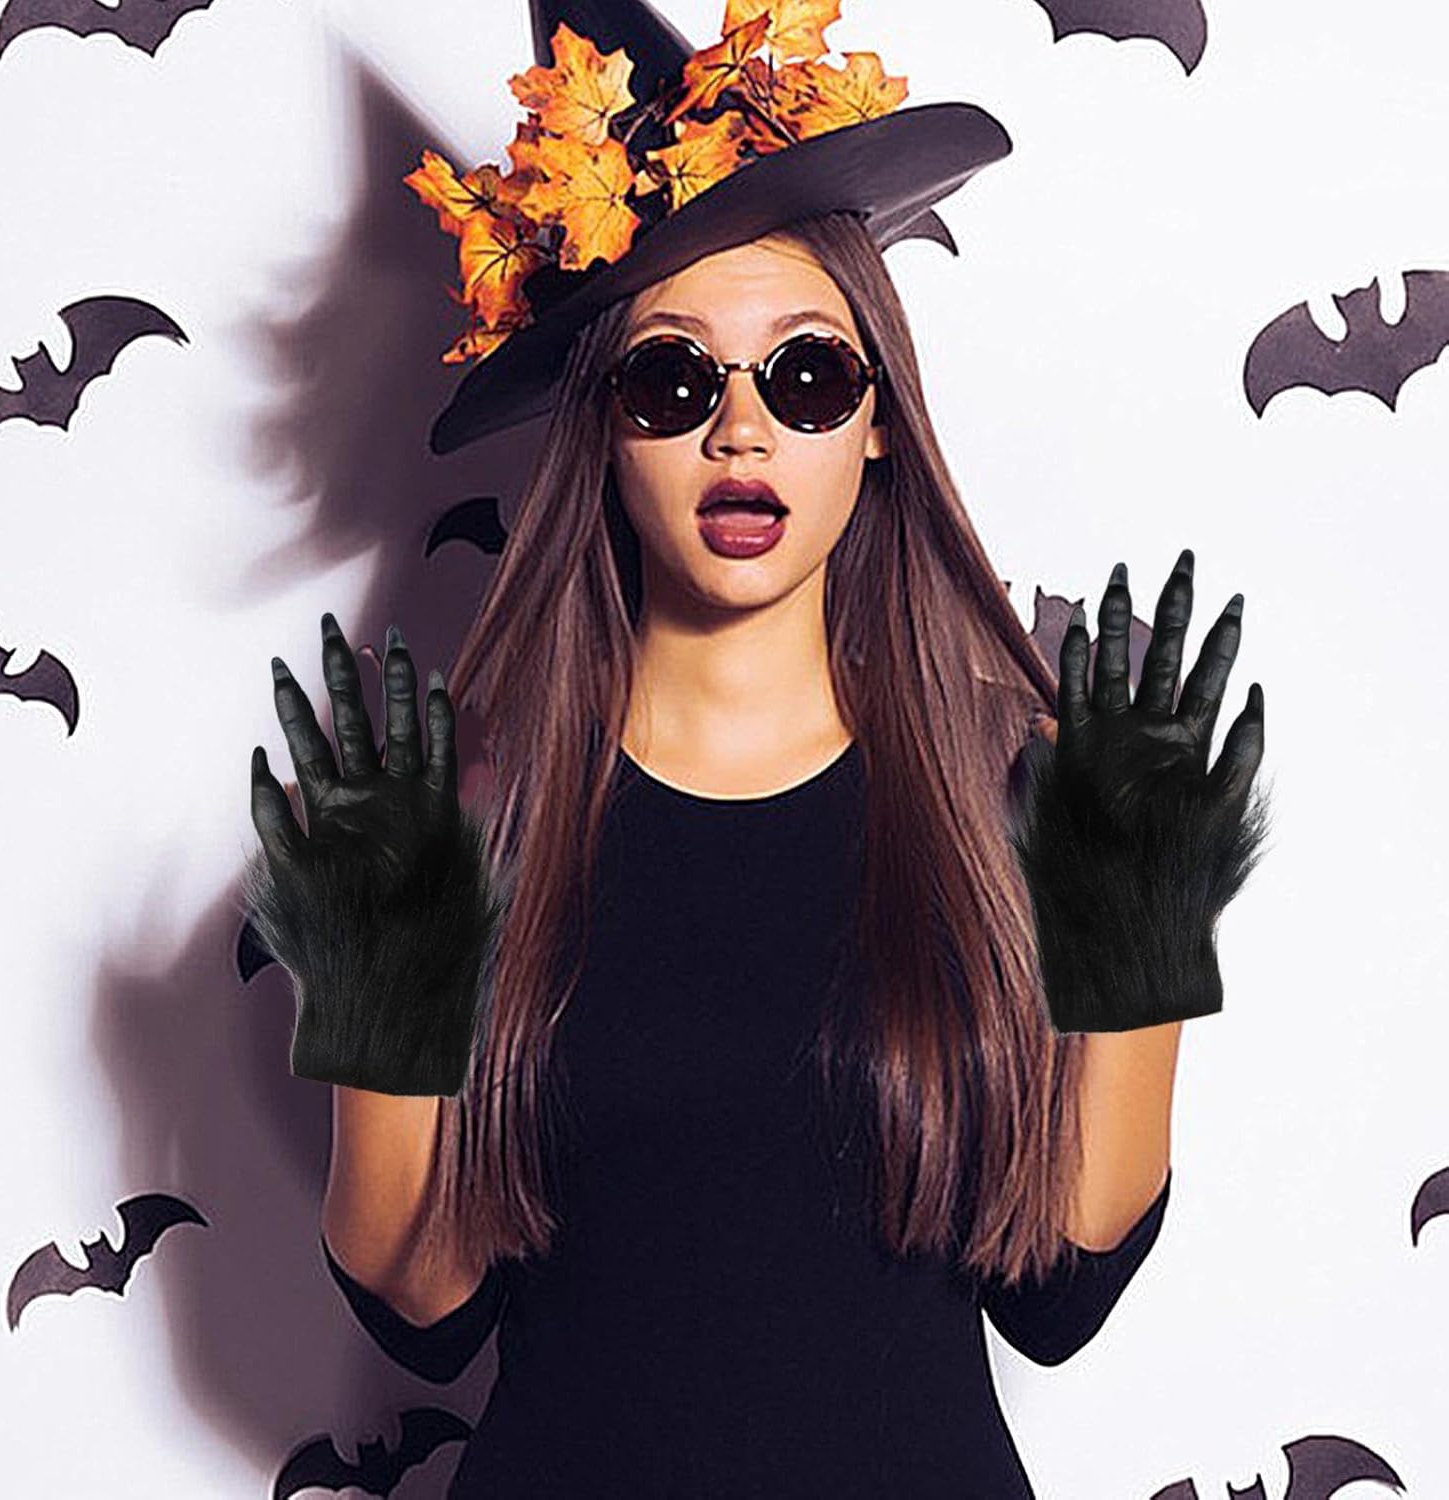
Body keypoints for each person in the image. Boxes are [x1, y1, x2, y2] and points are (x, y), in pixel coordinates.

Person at [246, 2, 1272, 1492]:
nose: (742, 433)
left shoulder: (1021, 796)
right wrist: (372, 1004)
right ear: (602, 428)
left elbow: (1057, 1295)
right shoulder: (463, 821)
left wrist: (1147, 949)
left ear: (877, 422)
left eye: (805, 378)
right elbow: (425, 1309)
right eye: (673, 382)